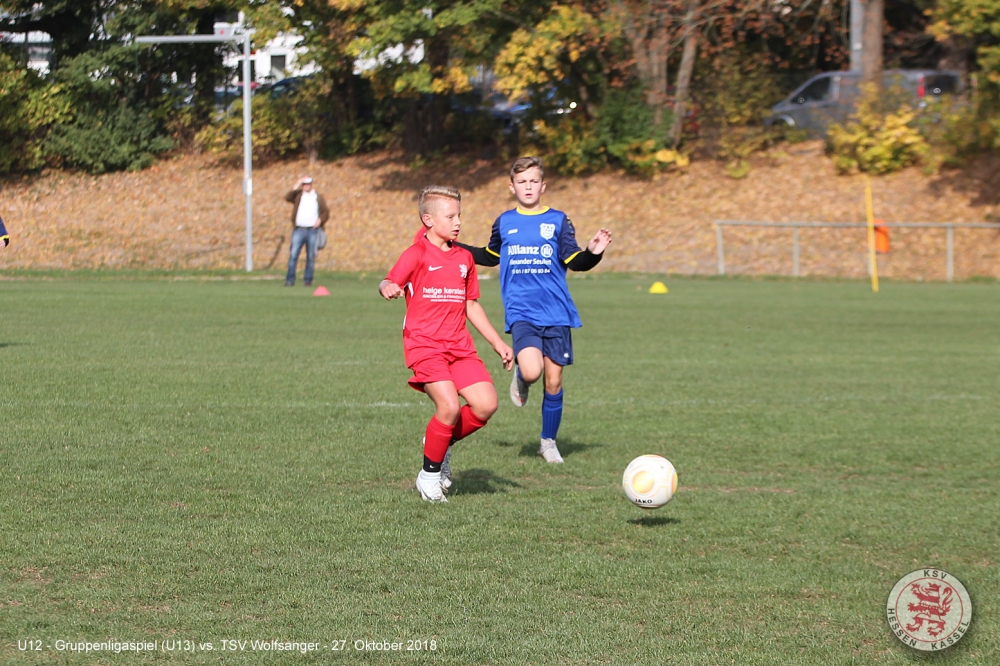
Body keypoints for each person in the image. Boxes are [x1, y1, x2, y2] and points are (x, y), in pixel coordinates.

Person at [456, 156, 612, 464]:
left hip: (556, 312)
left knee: (553, 382)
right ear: (511, 187)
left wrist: (593, 253)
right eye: (522, 182)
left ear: (543, 185)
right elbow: (489, 256)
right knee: (531, 370)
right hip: (521, 310)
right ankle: (523, 377)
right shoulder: (504, 222)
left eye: (534, 181)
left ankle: (548, 442)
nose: (528, 187)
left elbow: (574, 261)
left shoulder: (558, 220)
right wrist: (453, 245)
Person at [380, 186, 514, 502]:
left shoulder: (465, 258)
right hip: (424, 344)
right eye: (450, 216)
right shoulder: (416, 254)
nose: (458, 222)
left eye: (459, 216)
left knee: (486, 405)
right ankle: (428, 477)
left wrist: (497, 342)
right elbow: (389, 279)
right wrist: (387, 287)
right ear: (428, 219)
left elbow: (471, 305)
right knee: (449, 407)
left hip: (459, 346)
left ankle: (440, 446)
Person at [284, 176, 329, 286]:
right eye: (304, 184)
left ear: (311, 185)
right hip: (299, 229)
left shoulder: (317, 197)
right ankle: (290, 280)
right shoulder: (298, 195)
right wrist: (297, 183)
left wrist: (320, 220)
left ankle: (308, 280)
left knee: (310, 256)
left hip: (312, 230)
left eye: (308, 184)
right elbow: (287, 197)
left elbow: (325, 212)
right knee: (293, 255)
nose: (306, 186)